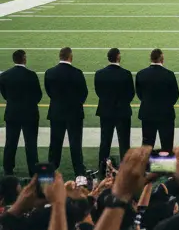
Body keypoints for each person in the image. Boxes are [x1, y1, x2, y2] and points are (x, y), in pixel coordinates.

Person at [44, 47, 87, 176]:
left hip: (56, 112)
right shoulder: (77, 73)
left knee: (55, 142)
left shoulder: (50, 72)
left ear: (60, 56)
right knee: (75, 143)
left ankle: (51, 168)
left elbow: (49, 91)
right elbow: (83, 93)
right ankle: (79, 171)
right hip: (74, 113)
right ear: (70, 57)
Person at [0, 49, 42, 175]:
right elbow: (38, 95)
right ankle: (33, 169)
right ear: (24, 58)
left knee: (10, 142)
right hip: (30, 114)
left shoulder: (5, 75)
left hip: (12, 113)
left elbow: (4, 94)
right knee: (31, 144)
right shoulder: (31, 75)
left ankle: (8, 168)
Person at [94, 47, 134, 172]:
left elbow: (98, 92)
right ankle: (125, 169)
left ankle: (102, 167)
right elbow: (131, 93)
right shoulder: (126, 74)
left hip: (106, 111)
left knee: (105, 141)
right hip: (122, 111)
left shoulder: (99, 74)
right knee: (124, 143)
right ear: (118, 57)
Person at [135, 48, 179, 149]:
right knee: (167, 146)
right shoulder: (169, 74)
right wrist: (166, 105)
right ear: (162, 59)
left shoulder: (141, 74)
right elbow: (175, 95)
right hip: (166, 114)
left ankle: (146, 165)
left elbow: (139, 94)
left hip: (147, 113)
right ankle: (167, 165)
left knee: (147, 147)